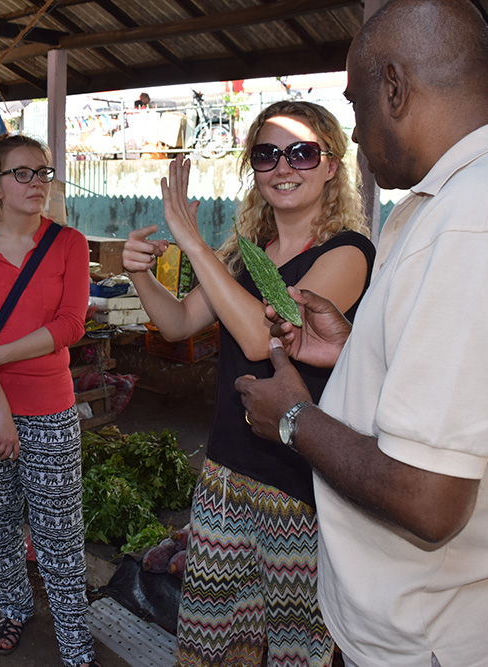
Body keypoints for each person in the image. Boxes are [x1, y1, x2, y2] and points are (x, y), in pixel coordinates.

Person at [235, 1, 488, 665]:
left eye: (357, 102)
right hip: (466, 616)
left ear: (395, 87)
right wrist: (356, 352)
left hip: (433, 635)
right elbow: (478, 391)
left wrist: (294, 418)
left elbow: (428, 498)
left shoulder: (478, 219)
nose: (356, 128)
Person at [122, 101, 374, 666]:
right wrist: (138, 271)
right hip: (224, 477)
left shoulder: (348, 253)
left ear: (331, 166)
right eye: (267, 154)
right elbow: (178, 321)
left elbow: (267, 338)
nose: (284, 166)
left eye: (302, 152)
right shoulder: (245, 257)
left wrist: (193, 241)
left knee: (293, 649)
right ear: (254, 169)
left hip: (298, 489)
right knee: (210, 640)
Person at [0, 133, 97, 667]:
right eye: (24, 173)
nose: (38, 183)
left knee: (60, 530)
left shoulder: (69, 244)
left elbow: (70, 325)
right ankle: (13, 608)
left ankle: (74, 639)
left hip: (53, 408)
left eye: (44, 172)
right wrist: (2, 411)